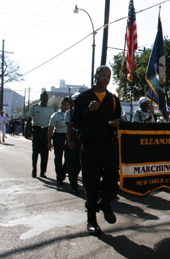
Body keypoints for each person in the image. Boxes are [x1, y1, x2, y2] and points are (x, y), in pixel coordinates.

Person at [72, 65, 122, 236]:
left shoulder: (113, 99)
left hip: (108, 144)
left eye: (109, 76)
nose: (106, 78)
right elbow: (76, 123)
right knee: (91, 183)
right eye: (103, 75)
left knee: (112, 178)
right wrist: (88, 110)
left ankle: (105, 202)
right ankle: (91, 219)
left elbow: (118, 118)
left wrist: (116, 123)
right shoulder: (83, 98)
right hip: (90, 146)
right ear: (95, 76)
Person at [25, 91, 54, 178]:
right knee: (36, 151)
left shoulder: (50, 109)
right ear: (40, 98)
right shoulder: (34, 107)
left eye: (46, 98)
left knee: (45, 152)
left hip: (46, 131)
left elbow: (52, 122)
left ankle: (43, 171)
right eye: (44, 98)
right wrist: (27, 131)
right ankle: (34, 169)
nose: (45, 100)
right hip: (37, 130)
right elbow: (29, 119)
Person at [48, 97, 70, 185]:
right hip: (58, 136)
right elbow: (50, 129)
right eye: (64, 104)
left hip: (68, 137)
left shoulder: (71, 114)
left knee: (68, 157)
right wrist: (49, 142)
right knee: (58, 157)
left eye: (68, 105)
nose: (66, 106)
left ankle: (63, 171)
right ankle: (59, 177)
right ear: (61, 105)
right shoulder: (55, 115)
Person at [65, 92, 81, 195]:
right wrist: (69, 141)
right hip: (73, 138)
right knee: (72, 165)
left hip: (82, 139)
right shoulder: (69, 113)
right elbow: (69, 128)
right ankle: (74, 186)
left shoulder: (85, 111)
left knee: (80, 164)